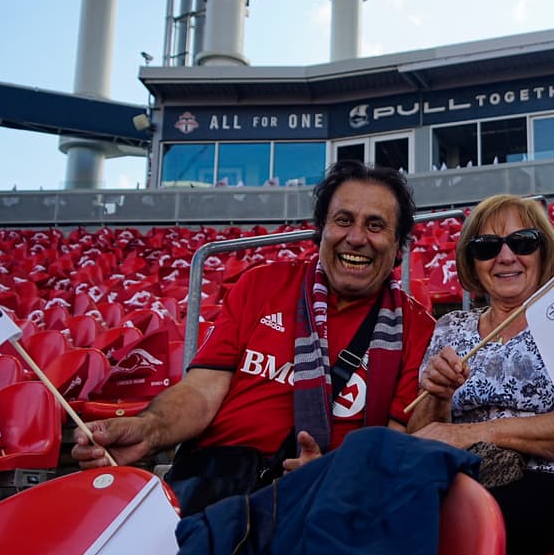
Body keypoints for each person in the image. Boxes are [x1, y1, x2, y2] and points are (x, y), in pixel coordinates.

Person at [73, 160, 436, 513]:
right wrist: (149, 430)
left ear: (399, 245)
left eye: (375, 226)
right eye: (343, 221)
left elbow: (396, 441)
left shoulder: (417, 328)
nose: (356, 238)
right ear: (321, 231)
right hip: (215, 486)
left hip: (329, 505)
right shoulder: (260, 285)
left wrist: (337, 475)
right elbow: (202, 390)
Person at [408, 194, 554, 555]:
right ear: (472, 262)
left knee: (465, 537)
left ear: (543, 251)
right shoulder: (450, 330)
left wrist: (472, 432)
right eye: (487, 247)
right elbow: (425, 434)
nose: (506, 256)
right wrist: (438, 394)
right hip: (469, 478)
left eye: (522, 241)